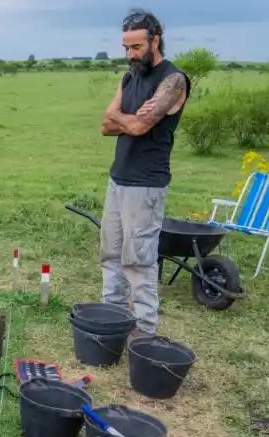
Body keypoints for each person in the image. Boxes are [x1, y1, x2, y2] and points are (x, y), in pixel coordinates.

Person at [99, 9, 191, 337]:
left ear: (155, 40)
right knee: (111, 255)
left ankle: (144, 333)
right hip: (118, 178)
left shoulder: (173, 80)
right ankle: (111, 321)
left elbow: (136, 124)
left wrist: (125, 119)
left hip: (146, 185)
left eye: (136, 47)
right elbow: (106, 124)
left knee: (137, 262)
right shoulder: (131, 77)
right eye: (126, 47)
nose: (130, 54)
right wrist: (127, 120)